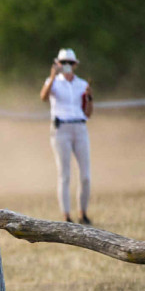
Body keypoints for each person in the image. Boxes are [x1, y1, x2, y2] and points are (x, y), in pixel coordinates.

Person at [40, 48, 93, 224]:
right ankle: (66, 215)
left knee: (85, 175)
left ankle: (83, 213)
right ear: (58, 64)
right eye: (63, 63)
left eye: (70, 63)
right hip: (60, 128)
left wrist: (90, 98)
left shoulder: (82, 84)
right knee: (65, 174)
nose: (67, 66)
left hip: (79, 127)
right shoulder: (53, 82)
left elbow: (88, 112)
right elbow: (43, 97)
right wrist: (53, 76)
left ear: (75, 64)